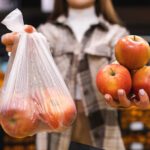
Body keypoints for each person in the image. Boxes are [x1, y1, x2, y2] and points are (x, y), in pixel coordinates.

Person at [1, 0, 150, 150]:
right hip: (54, 134)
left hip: (103, 136)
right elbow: (35, 74)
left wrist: (128, 92)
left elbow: (121, 70)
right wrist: (27, 43)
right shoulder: (46, 32)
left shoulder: (117, 34)